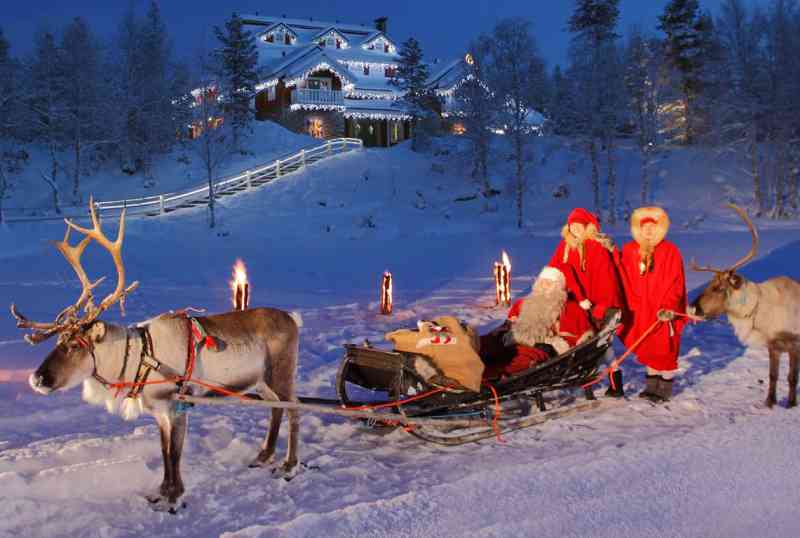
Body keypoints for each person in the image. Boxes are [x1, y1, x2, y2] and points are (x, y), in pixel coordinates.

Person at [549, 208, 625, 395]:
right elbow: (554, 269)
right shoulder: (565, 246)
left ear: (587, 227)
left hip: (602, 306)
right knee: (581, 345)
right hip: (577, 306)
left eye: (578, 225)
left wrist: (602, 306)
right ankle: (584, 382)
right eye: (571, 225)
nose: (574, 229)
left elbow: (607, 280)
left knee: (602, 345)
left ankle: (615, 384)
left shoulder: (596, 247)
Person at [615, 206, 687, 402]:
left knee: (664, 347)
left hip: (663, 311)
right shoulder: (630, 250)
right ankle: (650, 387)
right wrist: (608, 250)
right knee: (647, 346)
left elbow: (676, 282)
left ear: (659, 229)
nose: (648, 231)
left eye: (652, 227)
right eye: (644, 227)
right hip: (641, 309)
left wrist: (669, 307)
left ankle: (664, 389)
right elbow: (619, 271)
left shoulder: (670, 250)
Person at [480, 265, 590, 379]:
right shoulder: (523, 303)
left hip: (539, 345)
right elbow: (509, 323)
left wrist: (552, 343)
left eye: (549, 283)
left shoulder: (569, 309)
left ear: (558, 287)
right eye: (542, 282)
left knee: (525, 357)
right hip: (515, 339)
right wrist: (500, 333)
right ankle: (467, 364)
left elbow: (574, 340)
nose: (544, 286)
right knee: (488, 343)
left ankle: (497, 378)